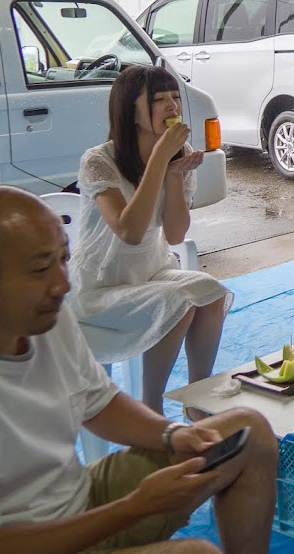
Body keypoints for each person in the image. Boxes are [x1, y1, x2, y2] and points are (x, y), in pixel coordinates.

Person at [0, 186, 277, 554]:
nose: (62, 284)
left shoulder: (44, 314)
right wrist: (137, 506)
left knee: (249, 430)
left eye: (63, 259)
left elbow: (97, 402)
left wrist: (171, 434)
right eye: (39, 269)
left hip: (79, 500)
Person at [74, 65, 232, 417]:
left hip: (151, 273)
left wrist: (174, 175)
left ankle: (196, 399)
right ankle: (152, 406)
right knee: (177, 302)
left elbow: (175, 234)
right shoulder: (99, 161)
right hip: (99, 288)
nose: (172, 106)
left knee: (211, 294)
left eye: (175, 96)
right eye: (158, 99)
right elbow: (129, 232)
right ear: (130, 111)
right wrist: (161, 159)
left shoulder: (178, 152)